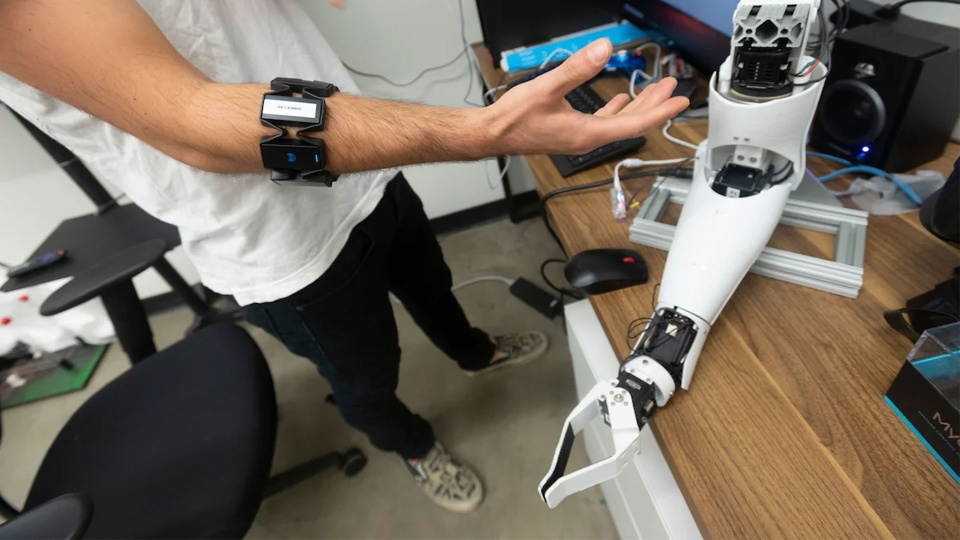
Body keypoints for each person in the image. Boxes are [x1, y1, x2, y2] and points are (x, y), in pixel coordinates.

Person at [0, 0, 689, 512]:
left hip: (369, 170)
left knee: (433, 286)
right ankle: (415, 445)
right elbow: (196, 124)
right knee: (367, 379)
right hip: (277, 243)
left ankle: (474, 351)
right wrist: (482, 133)